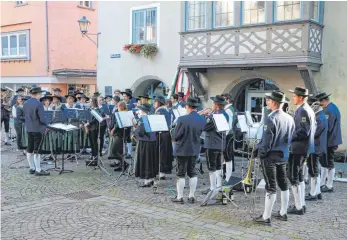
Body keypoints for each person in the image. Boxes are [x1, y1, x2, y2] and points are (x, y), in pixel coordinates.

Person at [253, 91, 295, 225]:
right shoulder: (289, 118)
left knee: (270, 186)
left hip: (270, 156)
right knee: (283, 184)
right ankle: (283, 212)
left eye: (269, 100)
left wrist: (261, 153)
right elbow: (291, 137)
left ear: (274, 102)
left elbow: (267, 140)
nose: (267, 102)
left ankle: (266, 217)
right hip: (283, 154)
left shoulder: (270, 118)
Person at [171, 97, 206, 204]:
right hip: (195, 149)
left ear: (188, 107)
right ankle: (191, 196)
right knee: (192, 172)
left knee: (181, 173)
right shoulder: (202, 119)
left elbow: (176, 136)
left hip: (182, 149)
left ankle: (180, 197)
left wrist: (172, 132)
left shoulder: (182, 119)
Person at [287, 87, 316, 215]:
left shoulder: (303, 110)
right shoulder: (304, 109)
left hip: (299, 148)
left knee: (294, 176)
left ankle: (298, 207)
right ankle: (301, 204)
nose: (293, 98)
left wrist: (288, 135)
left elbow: (304, 131)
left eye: (294, 96)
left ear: (301, 97)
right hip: (301, 148)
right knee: (298, 176)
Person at [316, 92, 343, 193]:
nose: (320, 105)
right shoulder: (332, 107)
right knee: (324, 162)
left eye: (320, 103)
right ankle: (323, 183)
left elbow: (327, 127)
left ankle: (329, 185)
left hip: (329, 141)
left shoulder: (328, 110)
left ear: (323, 101)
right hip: (330, 140)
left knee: (329, 163)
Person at [202, 95, 229, 195]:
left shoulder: (214, 115)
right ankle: (219, 186)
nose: (212, 105)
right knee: (219, 166)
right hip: (221, 143)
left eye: (213, 103)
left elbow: (205, 127)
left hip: (212, 143)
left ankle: (212, 188)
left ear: (217, 105)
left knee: (211, 167)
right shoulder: (225, 114)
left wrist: (204, 116)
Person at [23, 87, 50, 176]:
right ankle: (38, 170)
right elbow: (42, 119)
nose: (41, 95)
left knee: (29, 149)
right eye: (40, 94)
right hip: (38, 129)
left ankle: (31, 168)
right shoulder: (39, 104)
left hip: (29, 128)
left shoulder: (26, 103)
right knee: (37, 150)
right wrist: (47, 123)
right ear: (37, 94)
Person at [305, 97, 328, 201]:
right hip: (317, 147)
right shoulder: (319, 116)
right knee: (314, 169)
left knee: (313, 170)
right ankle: (317, 192)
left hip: (315, 147)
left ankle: (313, 193)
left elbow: (313, 133)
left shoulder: (319, 118)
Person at [134, 103, 158, 187]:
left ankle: (147, 181)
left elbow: (141, 132)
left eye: (140, 109)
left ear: (143, 111)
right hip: (152, 142)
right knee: (151, 160)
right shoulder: (151, 118)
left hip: (145, 142)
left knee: (145, 161)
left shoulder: (143, 119)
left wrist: (134, 131)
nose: (139, 111)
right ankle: (151, 179)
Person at [154, 96, 173, 180]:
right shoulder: (166, 110)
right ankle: (163, 172)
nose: (154, 104)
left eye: (155, 102)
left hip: (161, 133)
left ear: (158, 103)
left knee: (161, 153)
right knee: (164, 153)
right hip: (166, 134)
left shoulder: (160, 111)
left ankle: (161, 172)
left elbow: (156, 123)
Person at [108, 102, 131, 171]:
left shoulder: (123, 114)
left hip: (120, 134)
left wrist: (113, 130)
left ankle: (124, 163)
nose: (117, 107)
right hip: (120, 134)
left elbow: (118, 125)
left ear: (121, 107)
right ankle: (122, 166)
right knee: (120, 151)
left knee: (114, 151)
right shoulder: (121, 113)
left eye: (118, 106)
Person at [84, 97, 107, 165]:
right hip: (90, 127)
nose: (89, 102)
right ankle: (93, 155)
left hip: (94, 127)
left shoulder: (97, 109)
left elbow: (96, 119)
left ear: (94, 102)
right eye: (89, 101)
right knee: (91, 142)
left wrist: (88, 123)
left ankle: (96, 156)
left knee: (94, 142)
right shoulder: (90, 109)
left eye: (91, 101)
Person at [222, 93, 238, 181]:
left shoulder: (228, 110)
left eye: (223, 99)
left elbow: (229, 124)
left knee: (228, 156)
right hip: (229, 134)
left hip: (228, 134)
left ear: (227, 100)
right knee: (227, 156)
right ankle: (226, 174)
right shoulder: (229, 109)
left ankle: (228, 176)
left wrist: (224, 135)